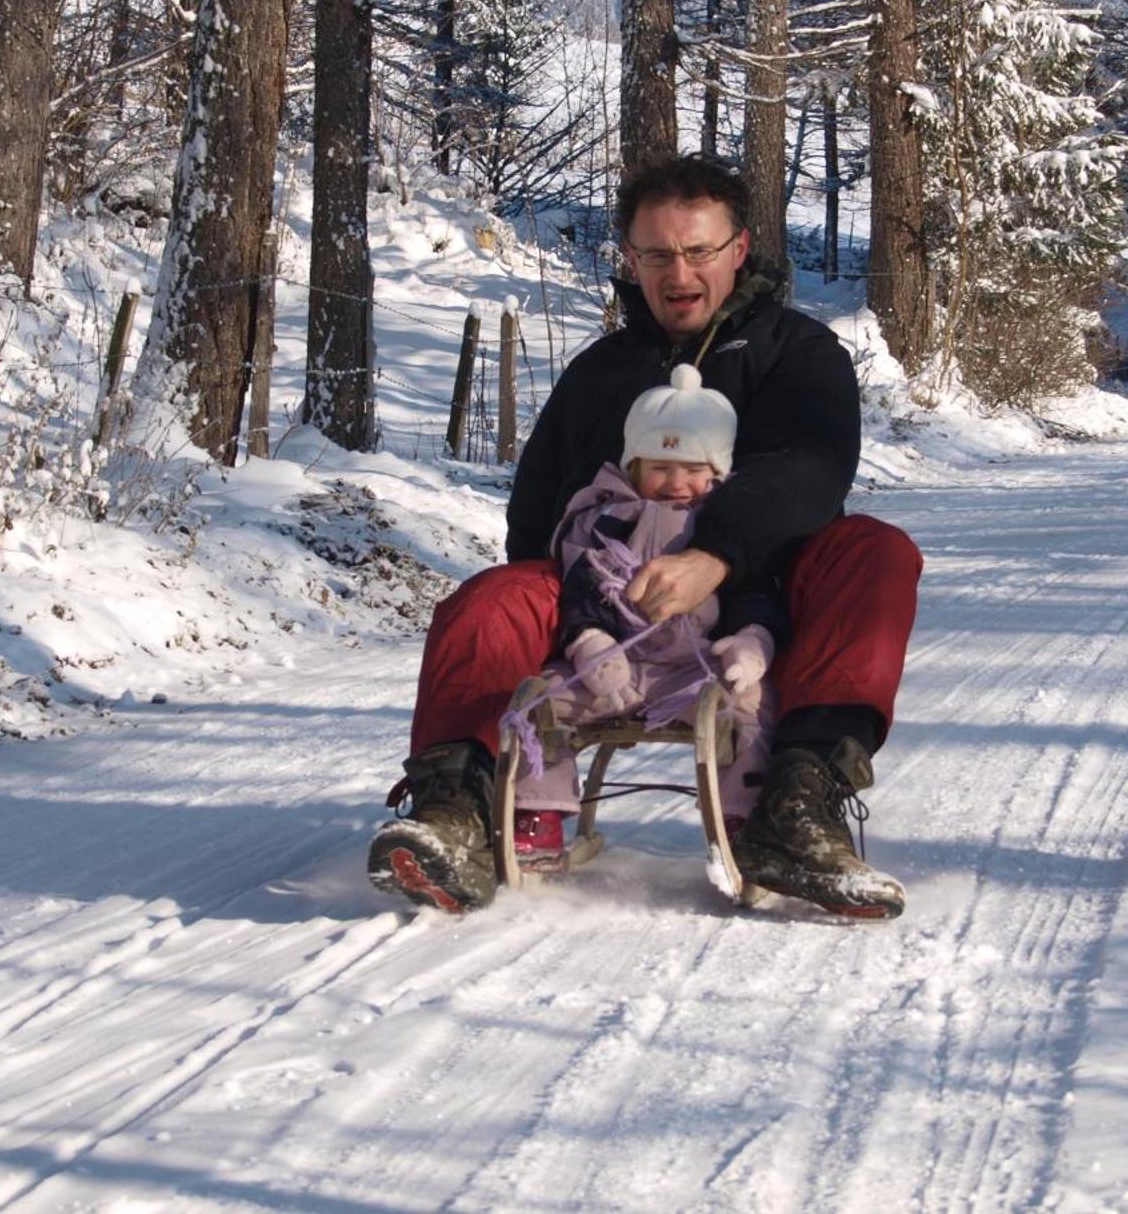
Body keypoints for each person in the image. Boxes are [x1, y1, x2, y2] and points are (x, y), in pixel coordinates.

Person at [368, 154, 923, 918]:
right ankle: (455, 808)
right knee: (494, 595)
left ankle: (798, 806)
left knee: (876, 552)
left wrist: (715, 555)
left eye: (698, 250)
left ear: (739, 250)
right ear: (630, 259)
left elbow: (810, 470)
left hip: (765, 608)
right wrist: (577, 610)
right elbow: (538, 513)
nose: (678, 271)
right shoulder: (603, 373)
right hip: (610, 607)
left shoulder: (798, 355)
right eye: (657, 254)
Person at [506, 364, 786, 867]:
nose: (677, 483)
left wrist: (752, 640)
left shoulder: (725, 524)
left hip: (695, 672)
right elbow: (581, 588)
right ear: (632, 466)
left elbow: (755, 589)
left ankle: (747, 819)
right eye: (659, 467)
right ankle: (536, 813)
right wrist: (588, 640)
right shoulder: (603, 517)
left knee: (751, 704)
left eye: (694, 470)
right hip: (610, 668)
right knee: (539, 700)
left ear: (718, 471)